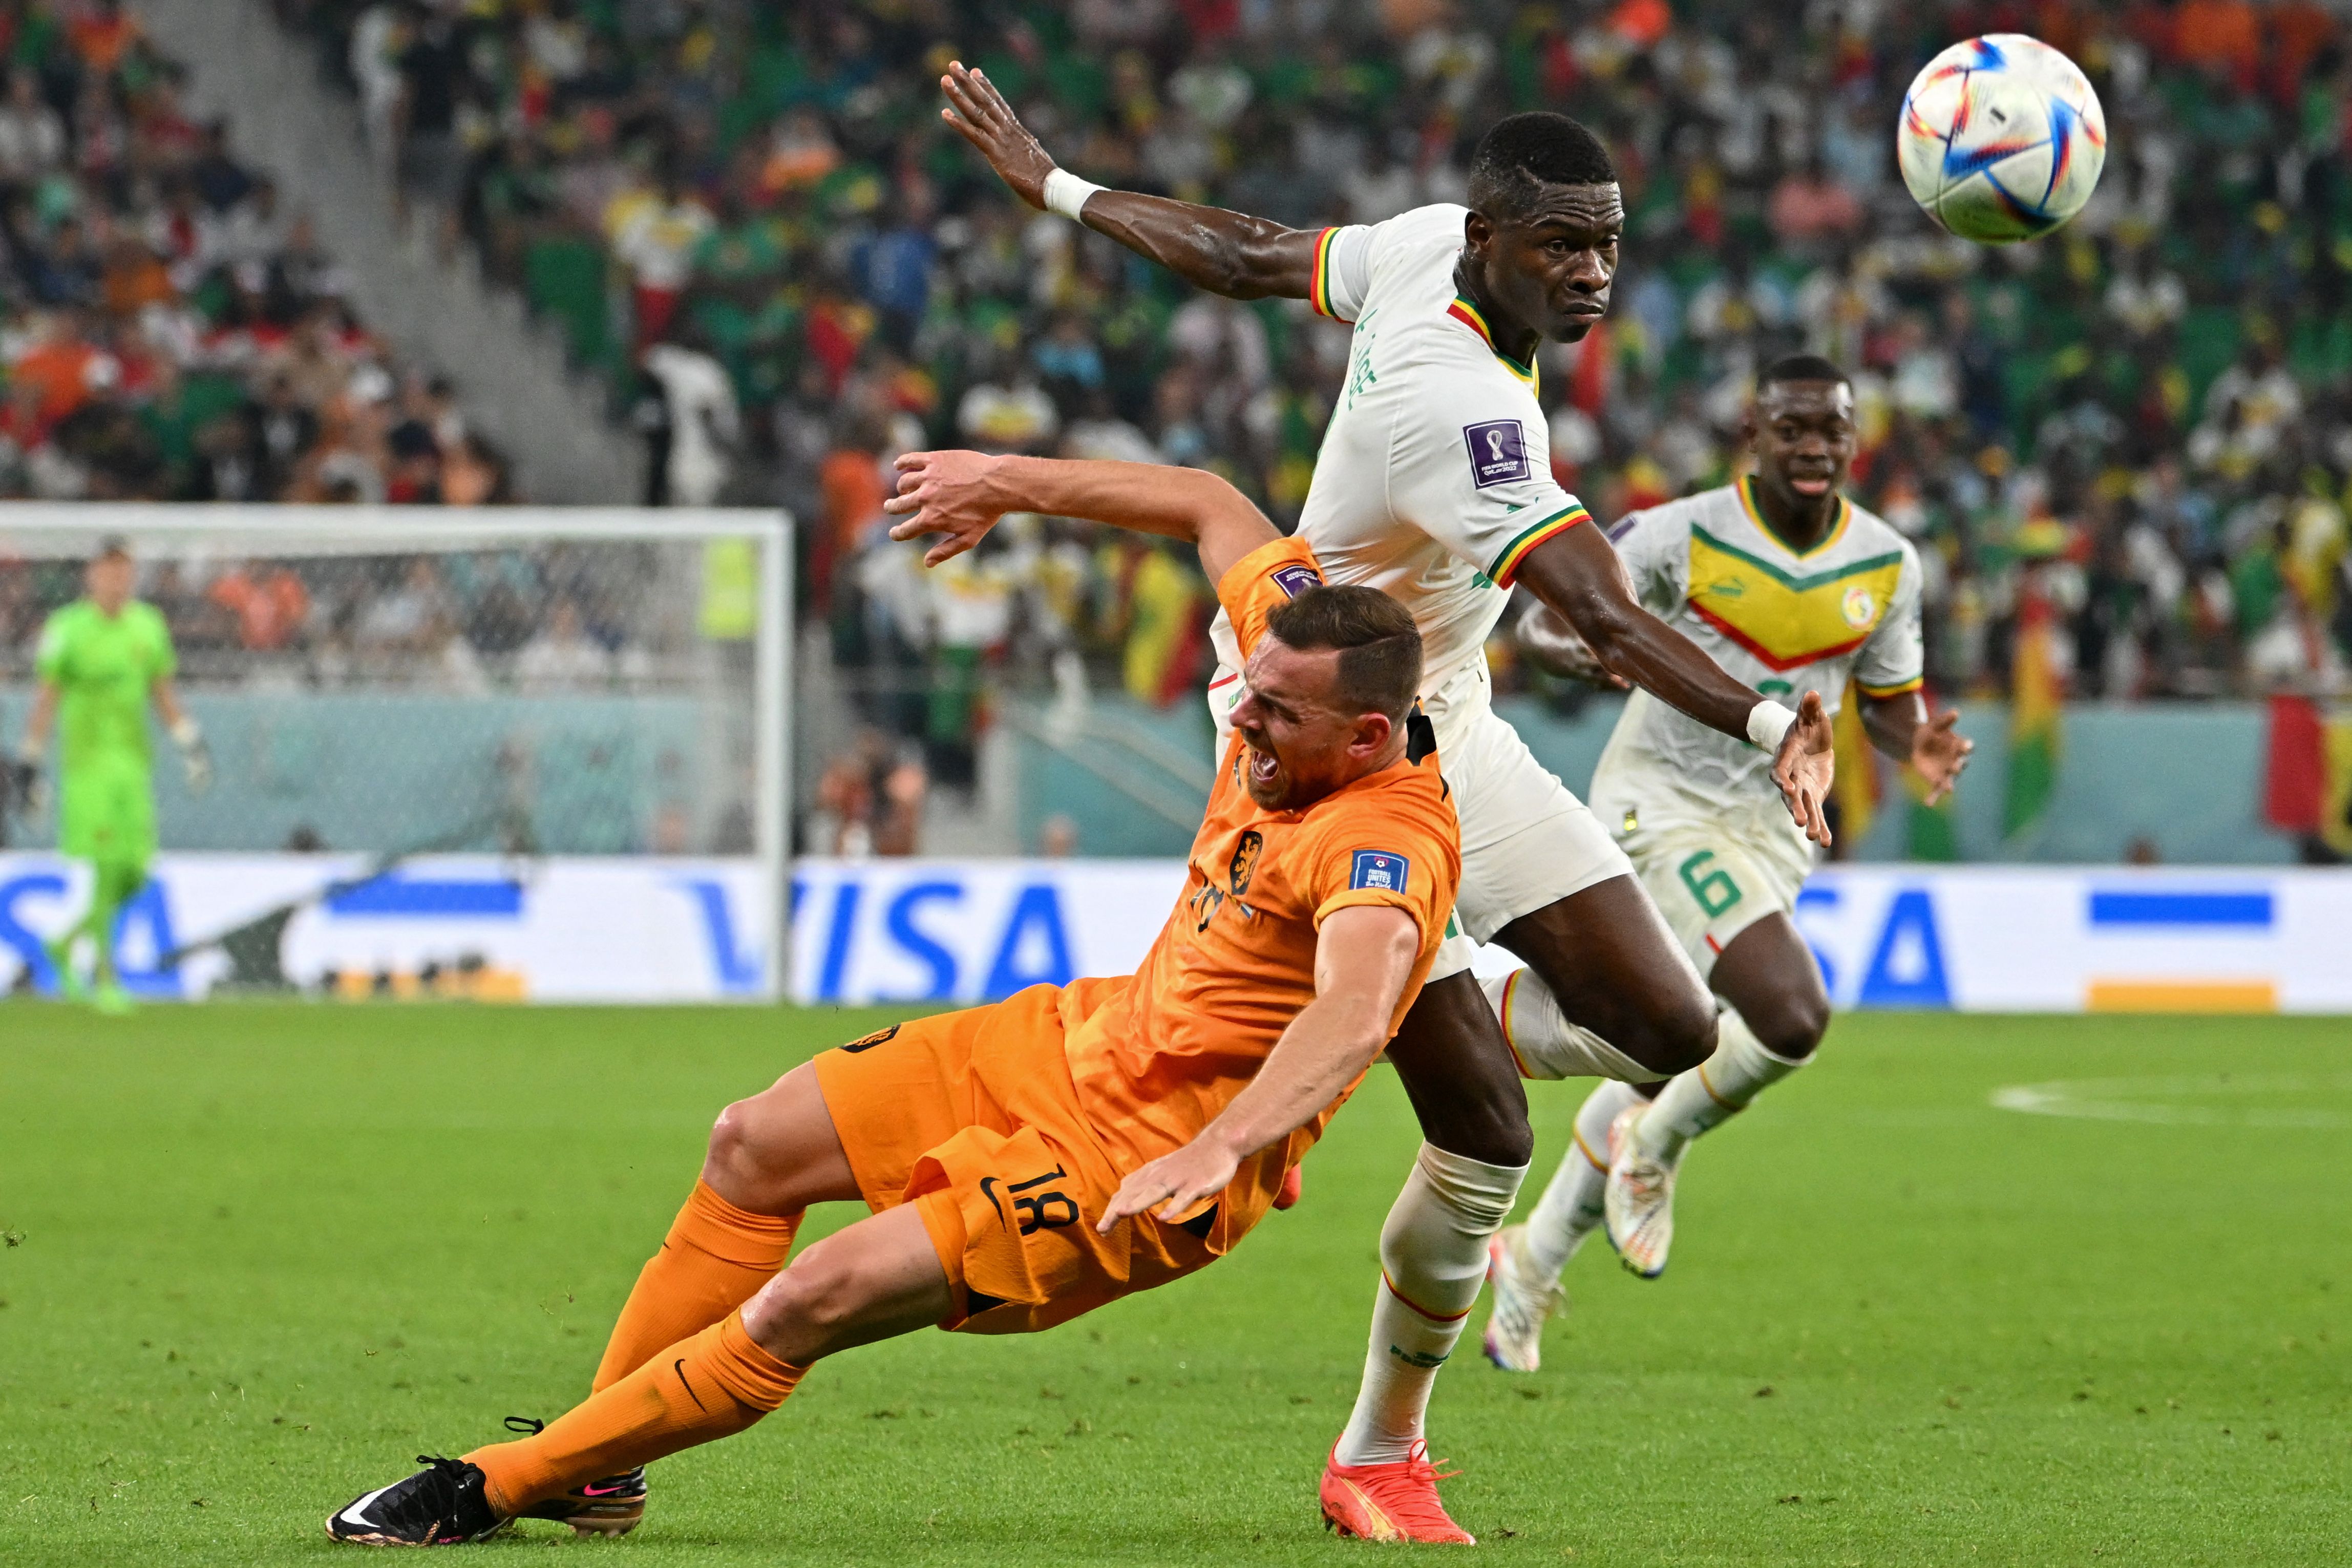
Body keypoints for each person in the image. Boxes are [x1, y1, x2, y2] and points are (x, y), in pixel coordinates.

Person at [943, 66, 1835, 1539]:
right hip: (1334, 742)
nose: (1594, 271)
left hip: (1446, 709)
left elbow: (1241, 253)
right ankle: (1379, 1447)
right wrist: (1763, 716)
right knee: (1485, 1134)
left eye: (1607, 242)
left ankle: (1436, 1004)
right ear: (1490, 237)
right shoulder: (1462, 411)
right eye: (1563, 245)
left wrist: (1056, 184)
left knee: (1673, 1032)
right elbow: (1606, 623)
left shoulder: (1420, 245)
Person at [325, 458, 1464, 1546]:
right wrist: (1005, 484)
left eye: (1275, 716)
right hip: (1075, 1037)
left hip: (1139, 1161)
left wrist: (1223, 1146)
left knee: (808, 1297)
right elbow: (1209, 503)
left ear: (1368, 736)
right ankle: (602, 1459)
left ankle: (492, 1486)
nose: (1242, 721)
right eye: (1248, 692)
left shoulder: (1385, 841)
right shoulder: (1302, 652)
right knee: (751, 1141)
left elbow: (1352, 1014)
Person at [1481, 356, 1974, 1369]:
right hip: (1657, 806)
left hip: (1773, 828)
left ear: (1853, 438)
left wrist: (1913, 743)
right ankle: (1653, 1151)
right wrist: (1586, 649)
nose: (1811, 449)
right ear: (1753, 431)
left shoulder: (1885, 563)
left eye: (1829, 431)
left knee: (1680, 1045)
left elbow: (1883, 704)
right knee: (1788, 1014)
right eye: (1791, 429)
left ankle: (1529, 1264)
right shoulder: (1680, 531)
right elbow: (1540, 620)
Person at [15, 539, 209, 1012]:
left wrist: (190, 744)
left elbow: (162, 691)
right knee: (105, 873)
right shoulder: (66, 629)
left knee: (136, 874)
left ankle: (63, 946)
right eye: (108, 574)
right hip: (87, 772)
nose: (117, 583)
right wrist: (31, 764)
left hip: (134, 769)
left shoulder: (148, 625)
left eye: (124, 575)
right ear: (91, 577)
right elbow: (47, 699)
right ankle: (105, 976)